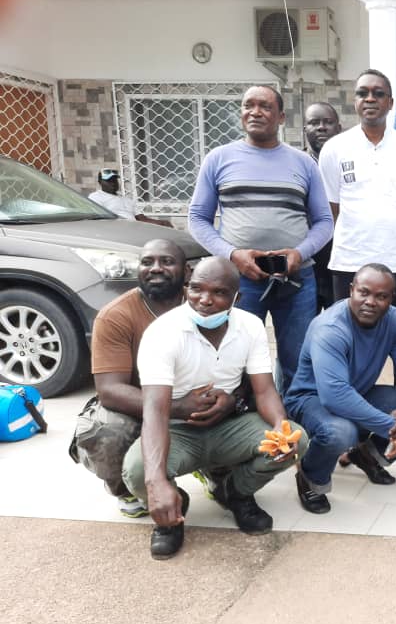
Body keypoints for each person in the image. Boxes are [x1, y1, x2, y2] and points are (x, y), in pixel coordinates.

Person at [121, 257, 305, 559]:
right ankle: (172, 513)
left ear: (237, 298)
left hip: (229, 424)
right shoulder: (162, 332)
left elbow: (264, 390)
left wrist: (278, 427)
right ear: (186, 288)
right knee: (139, 471)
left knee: (295, 441)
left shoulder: (250, 326)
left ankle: (235, 493)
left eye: (219, 292)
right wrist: (156, 483)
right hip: (177, 430)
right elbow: (155, 410)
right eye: (196, 289)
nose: (205, 300)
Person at [317, 69, 396, 461]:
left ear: (390, 102)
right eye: (362, 93)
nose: (369, 99)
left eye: (378, 93)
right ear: (355, 101)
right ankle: (348, 432)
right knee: (349, 348)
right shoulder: (335, 148)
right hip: (350, 262)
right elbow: (331, 206)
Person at [69, 239, 238, 517]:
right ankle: (128, 488)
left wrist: (230, 400)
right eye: (147, 262)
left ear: (187, 271)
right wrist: (177, 407)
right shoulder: (115, 315)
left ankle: (216, 472)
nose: (156, 268)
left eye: (167, 261)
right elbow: (110, 390)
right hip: (141, 407)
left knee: (245, 406)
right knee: (107, 430)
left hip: (200, 399)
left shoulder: (208, 303)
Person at [187, 85, 333, 392]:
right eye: (248, 105)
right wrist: (232, 255)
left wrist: (299, 253)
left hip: (295, 280)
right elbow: (198, 219)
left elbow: (324, 222)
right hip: (238, 281)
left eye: (265, 106)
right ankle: (241, 414)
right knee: (233, 359)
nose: (255, 112)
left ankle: (291, 417)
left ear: (281, 117)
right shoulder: (219, 159)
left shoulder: (303, 163)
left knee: (297, 362)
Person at [285, 264, 396, 509]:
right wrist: (392, 427)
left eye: (381, 296)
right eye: (364, 292)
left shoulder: (395, 319)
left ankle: (368, 456)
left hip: (357, 392)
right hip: (311, 400)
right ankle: (311, 479)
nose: (370, 302)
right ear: (351, 290)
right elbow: (334, 396)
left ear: (392, 298)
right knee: (341, 432)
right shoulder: (331, 328)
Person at [302, 101, 342, 311]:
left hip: (341, 261)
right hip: (305, 262)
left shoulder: (349, 163)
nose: (321, 128)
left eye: (328, 122)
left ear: (339, 128)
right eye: (314, 123)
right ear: (305, 129)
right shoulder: (296, 164)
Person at [88, 168, 170, 226]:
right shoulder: (96, 197)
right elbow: (100, 220)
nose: (113, 183)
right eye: (108, 180)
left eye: (114, 180)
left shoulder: (127, 200)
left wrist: (161, 223)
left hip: (136, 228)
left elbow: (142, 219)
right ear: (100, 182)